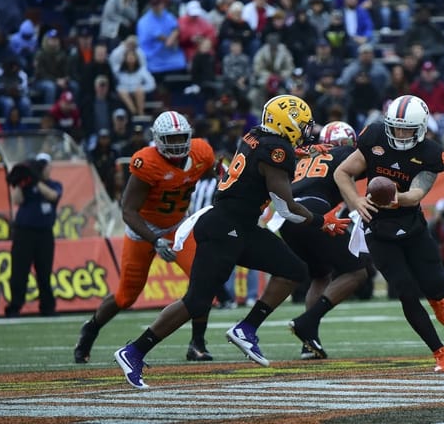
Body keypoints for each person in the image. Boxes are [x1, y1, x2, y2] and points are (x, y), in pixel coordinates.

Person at [114, 96, 349, 388]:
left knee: (294, 271)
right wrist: (322, 221)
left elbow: (272, 156)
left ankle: (246, 329)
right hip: (224, 229)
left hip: (240, 225)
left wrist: (305, 151)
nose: (305, 130)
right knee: (197, 301)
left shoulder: (257, 135)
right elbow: (286, 208)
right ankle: (133, 351)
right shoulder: (275, 151)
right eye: (301, 125)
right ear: (285, 124)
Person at [74, 112, 216, 364]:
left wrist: (223, 172)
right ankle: (91, 328)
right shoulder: (146, 162)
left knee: (203, 281)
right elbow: (128, 210)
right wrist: (155, 240)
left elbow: (212, 170)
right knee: (126, 297)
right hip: (143, 229)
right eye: (170, 139)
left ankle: (197, 343)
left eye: (181, 138)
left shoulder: (201, 152)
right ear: (158, 140)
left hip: (177, 226)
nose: (177, 144)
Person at [333, 95, 444, 372]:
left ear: (421, 128)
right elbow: (342, 173)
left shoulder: (430, 153)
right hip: (378, 228)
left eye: (406, 130)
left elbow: (416, 194)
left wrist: (395, 198)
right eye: (395, 128)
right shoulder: (375, 135)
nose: (399, 135)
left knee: (435, 284)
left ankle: (438, 301)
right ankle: (440, 353)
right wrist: (356, 202)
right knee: (406, 291)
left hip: (411, 223)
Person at [283, 121, 372, 360]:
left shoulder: (304, 159)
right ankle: (307, 322)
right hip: (314, 212)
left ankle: (308, 342)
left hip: (287, 218)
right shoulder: (345, 153)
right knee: (358, 272)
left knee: (320, 274)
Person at [5, 153, 62, 317]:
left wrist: (36, 180)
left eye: (45, 165)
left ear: (50, 167)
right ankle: (14, 307)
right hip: (24, 233)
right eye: (40, 166)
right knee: (19, 271)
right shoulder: (26, 185)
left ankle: (47, 307)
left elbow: (53, 196)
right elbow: (17, 200)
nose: (42, 168)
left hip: (45, 234)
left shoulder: (54, 185)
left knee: (44, 272)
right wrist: (18, 183)